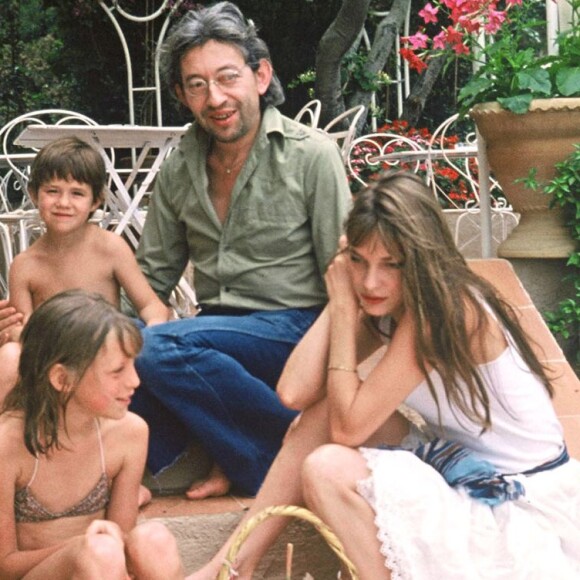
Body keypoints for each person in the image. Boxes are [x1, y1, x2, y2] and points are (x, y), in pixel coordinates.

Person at [188, 170, 580, 580]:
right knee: (316, 420)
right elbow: (293, 391)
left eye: (390, 264)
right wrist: (341, 295)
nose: (371, 281)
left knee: (326, 467)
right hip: (459, 463)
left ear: (421, 259)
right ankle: (232, 565)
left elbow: (349, 430)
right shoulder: (391, 300)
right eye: (358, 260)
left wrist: (343, 308)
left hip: (518, 502)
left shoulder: (445, 308)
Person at [127, 1, 351, 500]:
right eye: (197, 84)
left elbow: (345, 276)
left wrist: (344, 370)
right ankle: (138, 467)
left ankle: (272, 460)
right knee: (115, 345)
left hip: (294, 331)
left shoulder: (311, 155)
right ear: (183, 95)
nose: (216, 98)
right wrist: (86, 332)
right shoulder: (179, 166)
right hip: (216, 334)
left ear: (261, 75)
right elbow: (151, 277)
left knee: (158, 346)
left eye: (228, 77)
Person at [0, 290, 184, 579]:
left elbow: (121, 538)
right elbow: (5, 565)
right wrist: (78, 547)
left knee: (153, 540)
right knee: (100, 551)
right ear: (62, 378)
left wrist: (99, 546)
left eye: (133, 365)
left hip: (101, 568)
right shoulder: (8, 444)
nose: (135, 381)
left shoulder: (130, 433)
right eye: (117, 371)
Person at [0, 136, 170, 404]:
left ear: (95, 201)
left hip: (104, 348)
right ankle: (10, 438)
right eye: (52, 191)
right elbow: (23, 331)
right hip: (52, 359)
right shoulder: (25, 265)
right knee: (9, 355)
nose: (63, 203)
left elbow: (152, 306)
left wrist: (151, 335)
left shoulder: (111, 247)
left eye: (77, 193)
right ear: (34, 195)